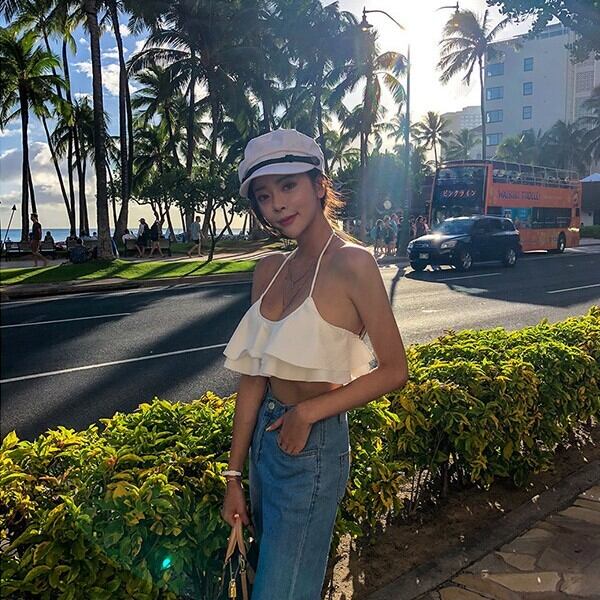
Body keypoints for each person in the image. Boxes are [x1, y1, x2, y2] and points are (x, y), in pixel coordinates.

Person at [220, 128, 409, 600]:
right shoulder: (269, 269)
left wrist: (307, 413)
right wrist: (234, 476)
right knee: (272, 579)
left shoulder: (353, 264)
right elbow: (253, 378)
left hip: (313, 446)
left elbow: (394, 369)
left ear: (320, 184)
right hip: (264, 444)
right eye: (265, 196)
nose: (277, 205)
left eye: (288, 186)